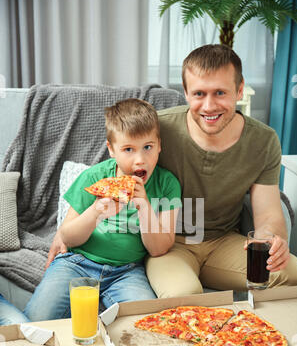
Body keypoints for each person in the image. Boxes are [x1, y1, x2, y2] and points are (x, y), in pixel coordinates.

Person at [0, 98, 181, 325]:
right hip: (76, 263)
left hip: (127, 272)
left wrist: (144, 207)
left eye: (148, 147)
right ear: (111, 149)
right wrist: (96, 211)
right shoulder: (94, 177)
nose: (140, 159)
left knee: (146, 327)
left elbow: (159, 249)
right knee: (39, 321)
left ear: (159, 145)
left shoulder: (167, 184)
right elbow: (67, 236)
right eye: (128, 149)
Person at [145, 44, 297, 297]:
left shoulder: (264, 140)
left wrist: (272, 240)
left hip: (225, 244)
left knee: (295, 276)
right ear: (185, 92)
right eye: (199, 94)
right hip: (170, 246)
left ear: (239, 90)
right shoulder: (158, 130)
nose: (209, 106)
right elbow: (116, 175)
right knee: (185, 296)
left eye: (220, 92)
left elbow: (268, 215)